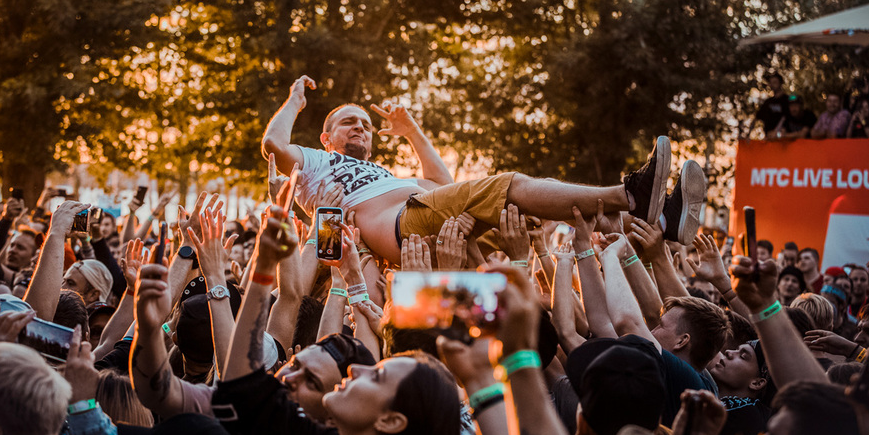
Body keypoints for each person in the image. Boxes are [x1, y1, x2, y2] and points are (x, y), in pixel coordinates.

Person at [262, 77, 707, 265]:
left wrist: (412, 129)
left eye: (365, 122)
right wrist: (296, 101)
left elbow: (443, 186)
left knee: (546, 197)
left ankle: (661, 219)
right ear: (326, 139)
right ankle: (633, 193)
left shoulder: (384, 174)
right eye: (347, 122)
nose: (360, 126)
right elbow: (274, 144)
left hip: (427, 219)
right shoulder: (317, 163)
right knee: (508, 185)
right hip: (401, 231)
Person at [752, 72, 788, 137]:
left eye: (775, 82)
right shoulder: (768, 102)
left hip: (784, 138)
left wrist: (777, 132)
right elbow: (758, 117)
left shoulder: (787, 100)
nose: (772, 85)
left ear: (780, 83)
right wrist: (748, 133)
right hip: (769, 138)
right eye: (771, 83)